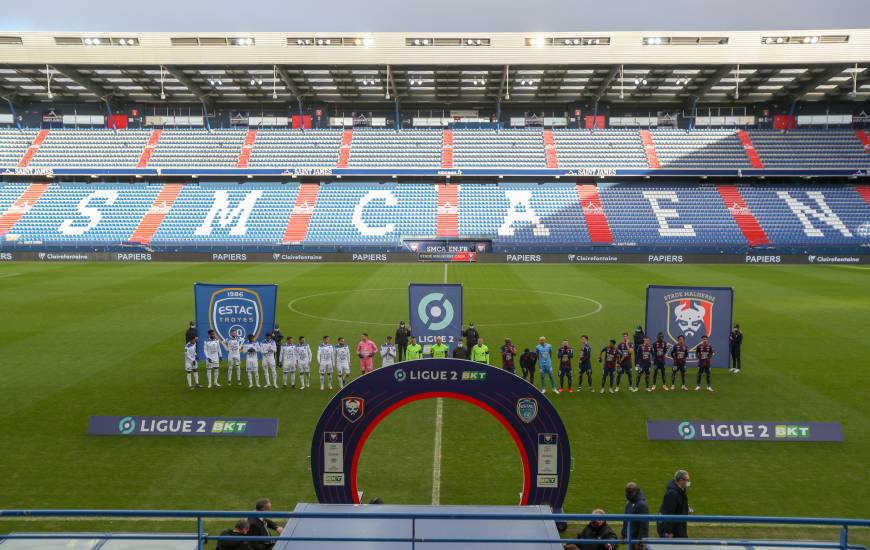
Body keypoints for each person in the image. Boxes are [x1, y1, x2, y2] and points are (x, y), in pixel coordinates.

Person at [657, 470, 691, 539]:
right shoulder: (672, 494)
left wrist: (686, 508)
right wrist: (669, 532)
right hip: (673, 530)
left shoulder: (681, 489)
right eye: (687, 480)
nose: (689, 483)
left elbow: (679, 503)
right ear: (681, 480)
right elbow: (668, 513)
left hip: (679, 526)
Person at [622, 482, 649, 549]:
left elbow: (644, 525)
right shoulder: (629, 503)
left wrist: (640, 541)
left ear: (636, 491)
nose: (628, 494)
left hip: (636, 540)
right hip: (629, 538)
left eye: (630, 492)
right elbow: (625, 521)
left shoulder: (642, 505)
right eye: (627, 492)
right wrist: (624, 534)